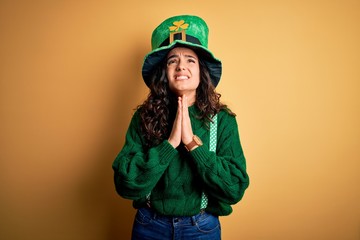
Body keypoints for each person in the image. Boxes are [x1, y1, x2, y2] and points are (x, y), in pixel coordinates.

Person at [112, 15, 249, 240]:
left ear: (201, 71)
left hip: (202, 228)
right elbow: (125, 185)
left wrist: (192, 144)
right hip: (149, 226)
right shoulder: (143, 117)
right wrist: (170, 144)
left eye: (190, 60)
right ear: (163, 72)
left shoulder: (223, 120)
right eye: (172, 60)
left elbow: (234, 188)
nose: (181, 66)